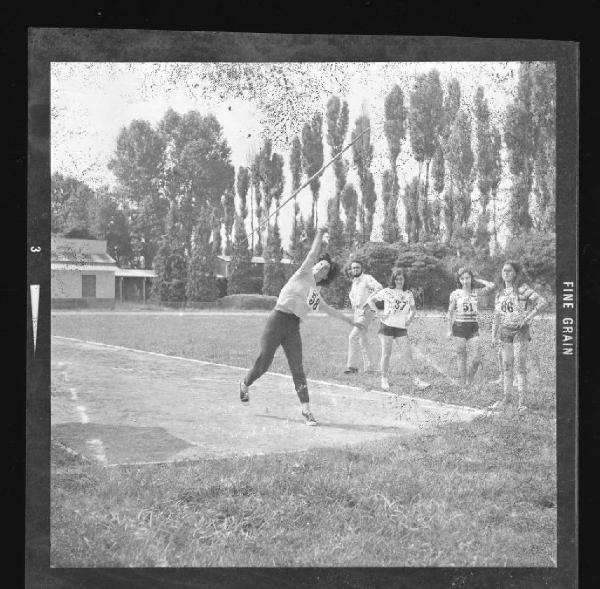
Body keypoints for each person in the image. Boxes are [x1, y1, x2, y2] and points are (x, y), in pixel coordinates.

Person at [239, 226, 364, 426]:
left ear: (325, 275)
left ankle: (306, 410)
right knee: (264, 363)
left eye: (324, 268)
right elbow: (313, 252)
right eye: (320, 264)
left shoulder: (315, 294)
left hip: (292, 327)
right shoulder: (302, 273)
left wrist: (351, 321)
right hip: (276, 320)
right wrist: (320, 233)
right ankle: (245, 384)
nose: (320, 267)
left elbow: (330, 311)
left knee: (297, 368)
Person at [489, 261, 547, 413]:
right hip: (504, 332)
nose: (506, 273)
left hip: (520, 332)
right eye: (504, 270)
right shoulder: (500, 292)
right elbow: (496, 316)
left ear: (515, 273)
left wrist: (527, 318)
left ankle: (522, 404)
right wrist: (493, 335)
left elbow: (542, 302)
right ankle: (506, 400)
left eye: (509, 270)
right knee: (507, 368)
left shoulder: (522, 289)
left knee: (520, 368)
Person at [364, 268, 430, 392]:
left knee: (407, 354)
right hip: (387, 326)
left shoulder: (408, 293)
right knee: (386, 353)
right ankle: (384, 379)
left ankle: (416, 380)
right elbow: (370, 301)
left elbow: (413, 310)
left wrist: (409, 320)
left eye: (401, 279)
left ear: (405, 280)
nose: (399, 281)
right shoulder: (387, 291)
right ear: (394, 280)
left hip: (401, 328)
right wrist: (378, 313)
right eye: (397, 279)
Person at [446, 267, 495, 387]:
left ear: (471, 278)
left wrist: (478, 279)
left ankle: (470, 380)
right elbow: (450, 312)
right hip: (459, 327)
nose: (465, 280)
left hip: (473, 328)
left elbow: (492, 286)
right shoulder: (455, 294)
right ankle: (463, 384)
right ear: (459, 280)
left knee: (477, 358)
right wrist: (449, 330)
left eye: (467, 278)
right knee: (461, 356)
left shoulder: (476, 292)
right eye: (462, 278)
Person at [344, 259, 383, 375]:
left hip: (366, 312)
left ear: (361, 269)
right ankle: (370, 368)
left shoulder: (367, 278)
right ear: (351, 270)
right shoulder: (354, 282)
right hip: (358, 313)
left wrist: (369, 301)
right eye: (353, 268)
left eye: (357, 267)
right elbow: (353, 297)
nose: (355, 269)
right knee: (362, 340)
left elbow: (379, 288)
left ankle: (352, 367)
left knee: (352, 337)